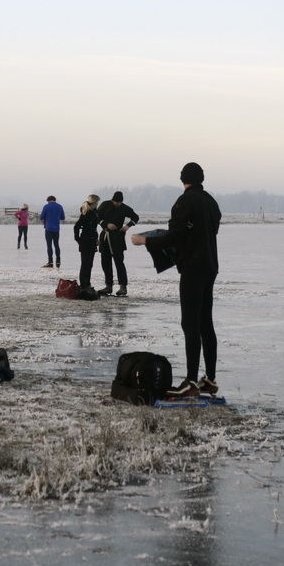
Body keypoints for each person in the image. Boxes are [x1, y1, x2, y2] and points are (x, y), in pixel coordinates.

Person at [132, 162, 221, 397]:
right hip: (210, 266)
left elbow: (174, 237)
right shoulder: (211, 202)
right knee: (205, 323)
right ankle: (210, 379)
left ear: (183, 179)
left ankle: (191, 381)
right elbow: (204, 232)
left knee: (190, 324)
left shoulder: (184, 201)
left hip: (192, 268)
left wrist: (145, 241)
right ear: (201, 179)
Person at [98, 191, 139, 296]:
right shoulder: (105, 205)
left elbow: (135, 217)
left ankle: (123, 286)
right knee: (105, 262)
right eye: (116, 202)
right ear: (112, 200)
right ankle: (108, 286)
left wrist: (127, 226)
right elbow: (97, 217)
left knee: (119, 262)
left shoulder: (125, 208)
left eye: (120, 202)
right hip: (105, 236)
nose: (118, 204)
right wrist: (106, 224)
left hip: (118, 237)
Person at [73, 195, 100, 295]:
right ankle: (84, 285)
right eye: (96, 202)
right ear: (93, 202)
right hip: (85, 241)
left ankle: (87, 284)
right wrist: (78, 239)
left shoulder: (94, 212)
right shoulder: (86, 213)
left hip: (92, 240)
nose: (97, 204)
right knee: (85, 264)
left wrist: (96, 238)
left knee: (89, 264)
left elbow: (94, 228)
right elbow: (76, 226)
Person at [39, 195, 64, 269]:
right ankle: (58, 261)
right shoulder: (59, 206)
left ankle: (50, 262)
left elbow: (41, 217)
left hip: (49, 228)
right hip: (57, 229)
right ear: (55, 200)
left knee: (49, 245)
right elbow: (62, 217)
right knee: (56, 245)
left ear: (48, 200)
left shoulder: (46, 206)